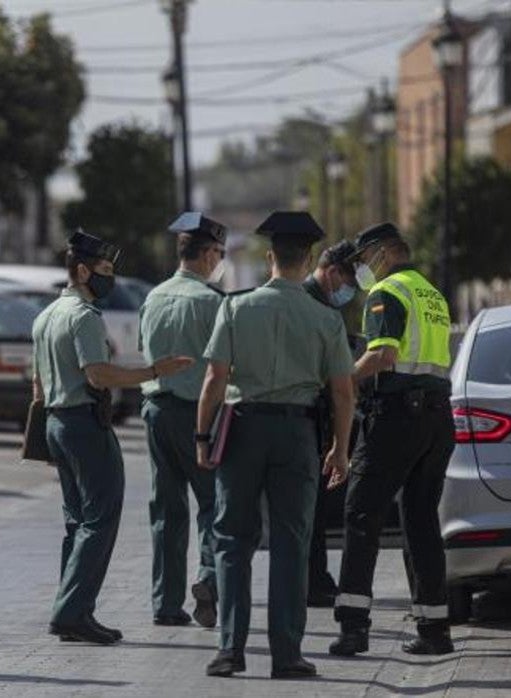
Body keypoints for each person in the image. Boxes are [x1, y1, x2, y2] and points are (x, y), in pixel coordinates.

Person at [196, 212, 355, 679]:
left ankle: (230, 651)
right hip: (297, 433)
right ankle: (286, 655)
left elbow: (213, 380)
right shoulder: (325, 318)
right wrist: (340, 449)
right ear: (307, 260)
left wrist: (202, 437)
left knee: (232, 541)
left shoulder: (234, 308)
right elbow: (343, 392)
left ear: (269, 258)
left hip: (242, 429)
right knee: (291, 542)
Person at [32, 230, 193, 646]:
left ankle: (74, 606)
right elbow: (98, 374)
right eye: (104, 270)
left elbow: (37, 385)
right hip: (84, 424)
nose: (110, 278)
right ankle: (70, 612)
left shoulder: (46, 316)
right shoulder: (83, 317)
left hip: (57, 422)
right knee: (100, 519)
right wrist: (154, 371)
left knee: (77, 522)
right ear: (82, 271)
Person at [330, 222, 456, 657]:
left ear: (383, 254)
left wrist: (342, 379)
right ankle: (435, 629)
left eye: (364, 260)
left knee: (361, 512)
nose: (363, 269)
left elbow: (384, 353)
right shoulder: (431, 293)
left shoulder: (388, 292)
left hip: (398, 417)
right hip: (438, 419)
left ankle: (353, 627)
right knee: (421, 519)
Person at [139, 211, 228, 629]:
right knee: (213, 504)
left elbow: (145, 350)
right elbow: (226, 365)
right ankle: (209, 579)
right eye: (219, 253)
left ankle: (166, 603)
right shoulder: (213, 302)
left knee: (166, 509)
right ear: (208, 253)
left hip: (157, 411)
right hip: (200, 416)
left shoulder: (153, 297)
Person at [301, 240, 365, 608]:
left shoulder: (320, 301)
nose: (347, 291)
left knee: (316, 506)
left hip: (316, 414)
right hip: (309, 413)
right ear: (332, 271)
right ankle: (312, 580)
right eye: (347, 281)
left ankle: (316, 577)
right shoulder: (312, 304)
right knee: (309, 506)